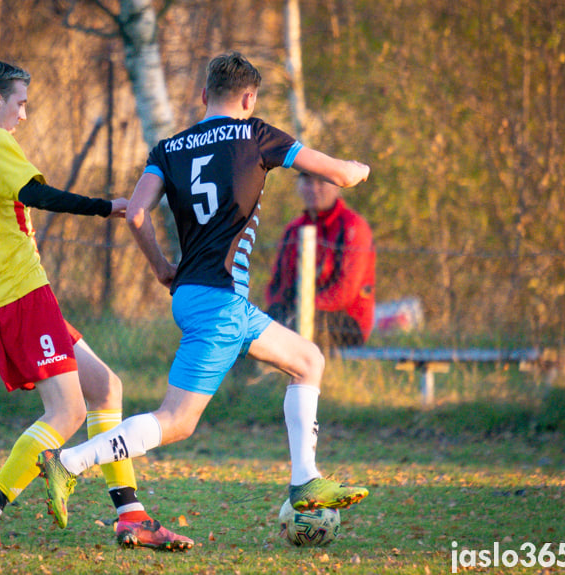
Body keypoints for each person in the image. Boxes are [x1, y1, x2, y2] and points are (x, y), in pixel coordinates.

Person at [38, 51, 371, 532]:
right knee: (177, 421)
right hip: (220, 303)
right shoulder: (256, 133)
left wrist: (160, 268)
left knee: (307, 360)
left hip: (200, 294)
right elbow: (336, 174)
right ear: (249, 98)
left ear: (203, 96)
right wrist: (357, 169)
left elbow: (135, 214)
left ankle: (305, 481)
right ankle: (68, 463)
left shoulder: (169, 148)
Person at [0, 60, 192, 552]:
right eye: (20, 103)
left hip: (6, 292)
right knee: (66, 413)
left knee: (106, 387)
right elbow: (36, 194)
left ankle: (132, 517)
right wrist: (104, 206)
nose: (23, 116)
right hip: (19, 292)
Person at [265, 172, 375, 352]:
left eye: (321, 183)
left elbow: (346, 290)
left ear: (337, 186)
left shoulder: (353, 227)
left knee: (289, 332)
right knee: (250, 331)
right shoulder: (293, 230)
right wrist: (278, 311)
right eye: (307, 183)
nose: (314, 189)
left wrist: (303, 309)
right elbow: (277, 283)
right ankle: (249, 379)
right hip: (296, 312)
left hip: (345, 320)